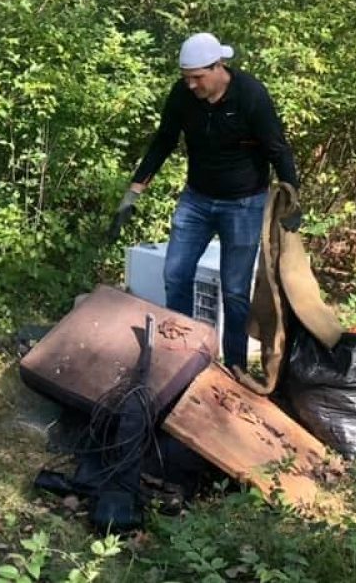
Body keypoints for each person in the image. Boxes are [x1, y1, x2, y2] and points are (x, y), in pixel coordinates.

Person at [108, 32, 301, 370]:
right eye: (186, 78)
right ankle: (182, 357)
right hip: (196, 200)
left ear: (218, 67)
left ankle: (235, 369)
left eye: (197, 77)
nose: (192, 85)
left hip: (243, 204)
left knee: (235, 291)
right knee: (176, 274)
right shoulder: (183, 96)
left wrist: (291, 198)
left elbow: (277, 148)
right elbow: (163, 141)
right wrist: (133, 192)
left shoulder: (250, 95)